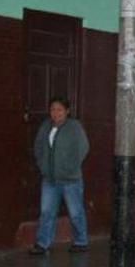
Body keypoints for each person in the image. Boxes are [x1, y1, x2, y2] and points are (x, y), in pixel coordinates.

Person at [29, 97, 90, 255]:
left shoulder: (74, 127)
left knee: (75, 211)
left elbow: (83, 148)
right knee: (46, 211)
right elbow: (38, 147)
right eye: (53, 110)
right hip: (50, 178)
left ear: (67, 111)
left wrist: (70, 167)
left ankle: (80, 241)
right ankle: (43, 244)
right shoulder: (45, 127)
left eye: (59, 110)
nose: (55, 113)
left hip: (70, 179)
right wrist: (43, 165)